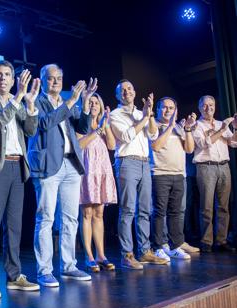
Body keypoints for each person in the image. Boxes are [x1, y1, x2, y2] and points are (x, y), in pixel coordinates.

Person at [0, 60, 40, 298]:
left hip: (17, 167)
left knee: (14, 226)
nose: (2, 78)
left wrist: (30, 104)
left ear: (13, 80)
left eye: (7, 75)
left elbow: (31, 130)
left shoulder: (19, 102)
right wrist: (18, 98)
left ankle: (14, 276)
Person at [28, 63, 93, 288]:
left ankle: (68, 265)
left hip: (71, 165)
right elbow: (44, 124)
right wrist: (71, 102)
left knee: (70, 218)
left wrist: (84, 104)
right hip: (47, 166)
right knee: (45, 218)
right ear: (43, 80)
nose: (55, 82)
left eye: (58, 79)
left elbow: (83, 128)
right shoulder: (36, 100)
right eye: (50, 78)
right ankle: (44, 270)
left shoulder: (69, 101)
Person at [110, 80, 168, 269]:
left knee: (145, 210)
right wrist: (144, 117)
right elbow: (126, 136)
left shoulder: (140, 112)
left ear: (134, 92)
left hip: (144, 162)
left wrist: (149, 114)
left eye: (129, 89)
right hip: (127, 162)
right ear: (118, 96)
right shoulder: (115, 114)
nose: (126, 92)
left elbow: (152, 135)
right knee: (128, 210)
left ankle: (144, 251)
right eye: (122, 91)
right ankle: (127, 254)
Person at [150, 97, 197, 261]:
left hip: (178, 175)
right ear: (158, 109)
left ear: (175, 110)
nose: (168, 111)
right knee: (159, 212)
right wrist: (170, 126)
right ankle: (158, 246)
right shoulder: (154, 125)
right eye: (164, 108)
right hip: (160, 174)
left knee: (175, 213)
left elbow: (190, 149)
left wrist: (188, 129)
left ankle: (175, 245)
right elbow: (155, 146)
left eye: (171, 108)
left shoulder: (179, 127)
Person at [77, 93, 117, 273]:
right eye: (90, 102)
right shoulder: (81, 121)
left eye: (96, 102)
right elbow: (79, 145)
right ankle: (89, 256)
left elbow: (112, 145)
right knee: (87, 213)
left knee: (99, 213)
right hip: (86, 169)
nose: (93, 105)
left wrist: (105, 125)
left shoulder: (103, 123)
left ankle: (101, 254)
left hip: (102, 170)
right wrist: (96, 131)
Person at [192, 95, 237, 253]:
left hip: (224, 166)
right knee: (206, 207)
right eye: (205, 105)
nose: (208, 108)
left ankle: (221, 240)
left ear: (215, 107)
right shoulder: (196, 125)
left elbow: (234, 143)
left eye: (211, 105)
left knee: (223, 207)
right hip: (206, 167)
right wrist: (223, 130)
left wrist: (235, 128)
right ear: (199, 107)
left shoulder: (220, 123)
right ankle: (206, 242)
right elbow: (204, 143)